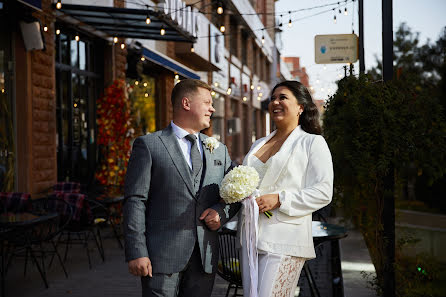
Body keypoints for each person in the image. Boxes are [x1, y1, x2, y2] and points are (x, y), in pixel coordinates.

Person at [123, 79, 240, 297]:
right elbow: (135, 201)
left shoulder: (219, 150)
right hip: (160, 257)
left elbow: (236, 194)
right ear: (186, 103)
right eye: (207, 102)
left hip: (205, 257)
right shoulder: (149, 145)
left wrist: (220, 214)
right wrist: (136, 251)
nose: (212, 108)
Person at [240, 80, 333, 297]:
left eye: (283, 97)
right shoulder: (259, 144)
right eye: (273, 98)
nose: (275, 102)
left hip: (285, 239)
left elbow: (324, 191)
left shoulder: (313, 143)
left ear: (301, 107)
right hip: (251, 237)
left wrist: (280, 199)